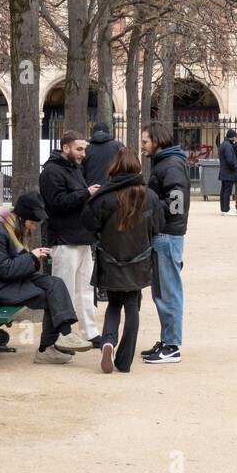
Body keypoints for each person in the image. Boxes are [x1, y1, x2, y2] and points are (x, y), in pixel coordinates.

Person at [0, 191, 88, 363]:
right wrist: (32, 257)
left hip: (12, 280)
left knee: (55, 283)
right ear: (22, 217)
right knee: (48, 296)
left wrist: (34, 257)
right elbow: (4, 270)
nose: (34, 227)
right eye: (33, 222)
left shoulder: (11, 228)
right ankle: (47, 349)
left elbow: (14, 266)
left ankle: (64, 335)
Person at [81, 149, 163, 374]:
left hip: (110, 259)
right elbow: (158, 225)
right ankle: (125, 360)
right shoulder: (149, 196)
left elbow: (88, 223)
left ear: (114, 168)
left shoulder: (104, 197)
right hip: (139, 260)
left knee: (114, 304)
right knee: (132, 305)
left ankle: (108, 342)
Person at [38, 131, 100, 347]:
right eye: (79, 149)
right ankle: (62, 336)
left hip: (83, 238)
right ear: (66, 148)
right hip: (64, 241)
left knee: (85, 289)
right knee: (64, 291)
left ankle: (90, 332)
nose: (83, 154)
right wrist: (86, 193)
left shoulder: (74, 168)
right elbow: (56, 204)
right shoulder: (51, 172)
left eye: (84, 149)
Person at [140, 121, 190, 364]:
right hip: (164, 233)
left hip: (167, 234)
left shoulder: (170, 165)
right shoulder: (166, 163)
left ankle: (172, 346)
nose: (142, 146)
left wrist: (149, 211)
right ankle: (167, 339)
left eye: (145, 141)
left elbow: (177, 203)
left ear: (157, 141)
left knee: (168, 291)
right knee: (162, 290)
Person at [82, 121, 123, 188]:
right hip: (112, 189)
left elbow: (81, 172)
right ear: (108, 132)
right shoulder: (118, 146)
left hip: (92, 190)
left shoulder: (86, 147)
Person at [217, 128, 237, 215]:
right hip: (228, 172)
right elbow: (230, 160)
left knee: (223, 190)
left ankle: (223, 209)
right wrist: (235, 167)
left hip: (224, 172)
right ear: (232, 137)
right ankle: (226, 209)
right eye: (235, 137)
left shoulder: (223, 144)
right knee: (227, 191)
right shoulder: (228, 145)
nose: (236, 139)